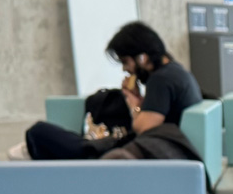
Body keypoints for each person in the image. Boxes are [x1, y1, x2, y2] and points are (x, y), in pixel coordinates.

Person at [21, 22, 202, 160]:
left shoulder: (161, 79)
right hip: (146, 147)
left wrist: (133, 103)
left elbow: (143, 128)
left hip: (137, 149)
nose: (125, 69)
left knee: (38, 131)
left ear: (141, 57)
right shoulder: (176, 72)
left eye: (125, 62)